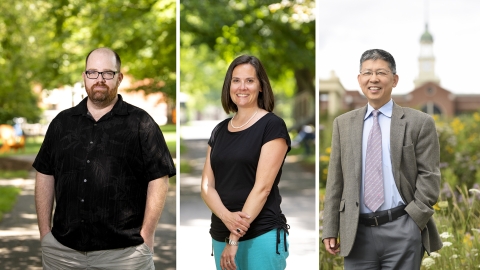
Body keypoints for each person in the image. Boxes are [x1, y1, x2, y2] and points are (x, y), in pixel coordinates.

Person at [33, 47, 176, 269]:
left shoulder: (141, 124)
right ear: (84, 77)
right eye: (93, 72)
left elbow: (159, 177)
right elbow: (44, 173)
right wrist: (45, 234)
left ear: (119, 78)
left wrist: (147, 235)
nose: (99, 79)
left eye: (107, 73)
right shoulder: (61, 124)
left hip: (124, 256)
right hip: (63, 254)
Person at [322, 49, 442, 269]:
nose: (373, 78)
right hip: (356, 232)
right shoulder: (343, 124)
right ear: (360, 80)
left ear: (394, 80)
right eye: (367, 73)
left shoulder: (419, 122)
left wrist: (414, 220)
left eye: (381, 73)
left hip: (402, 228)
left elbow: (430, 175)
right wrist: (330, 228)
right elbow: (335, 180)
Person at [200, 55, 291, 270]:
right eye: (236, 80)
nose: (242, 87)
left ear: (261, 86)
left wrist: (234, 237)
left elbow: (263, 188)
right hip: (220, 235)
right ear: (228, 85)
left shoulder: (272, 126)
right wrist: (227, 219)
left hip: (260, 235)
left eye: (250, 80)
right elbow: (206, 186)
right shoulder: (220, 130)